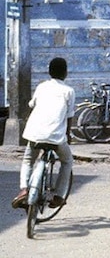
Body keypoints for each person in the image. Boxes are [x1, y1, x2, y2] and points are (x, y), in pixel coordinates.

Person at [11, 57, 76, 210]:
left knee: (28, 160)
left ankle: (24, 190)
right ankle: (59, 196)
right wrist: (68, 135)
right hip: (56, 137)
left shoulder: (41, 87)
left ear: (49, 72)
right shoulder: (69, 91)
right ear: (66, 73)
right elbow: (69, 116)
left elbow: (32, 104)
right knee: (67, 162)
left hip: (35, 134)